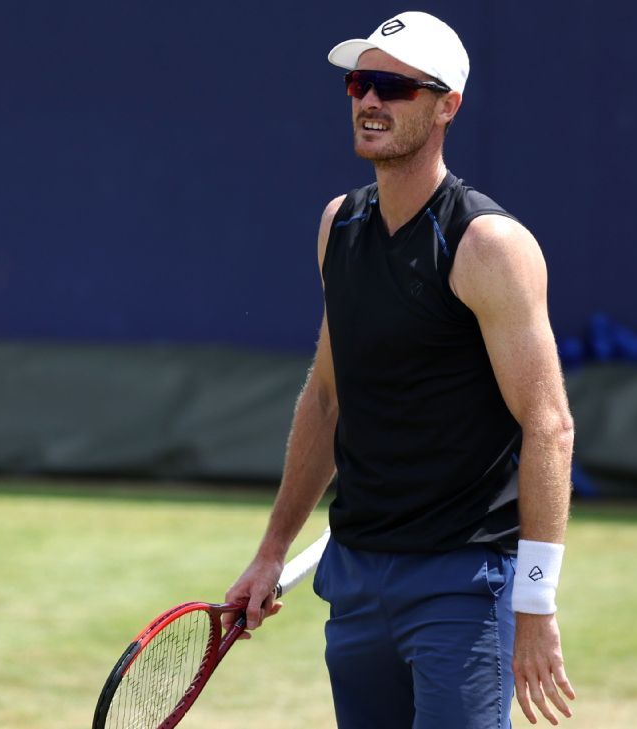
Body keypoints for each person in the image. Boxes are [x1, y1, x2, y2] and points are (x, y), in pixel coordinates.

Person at [224, 11, 577, 727]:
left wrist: (536, 603)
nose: (369, 101)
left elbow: (549, 425)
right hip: (355, 578)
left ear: (448, 106)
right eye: (360, 83)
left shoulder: (489, 245)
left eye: (394, 87)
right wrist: (271, 552)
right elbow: (327, 399)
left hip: (462, 585)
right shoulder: (339, 226)